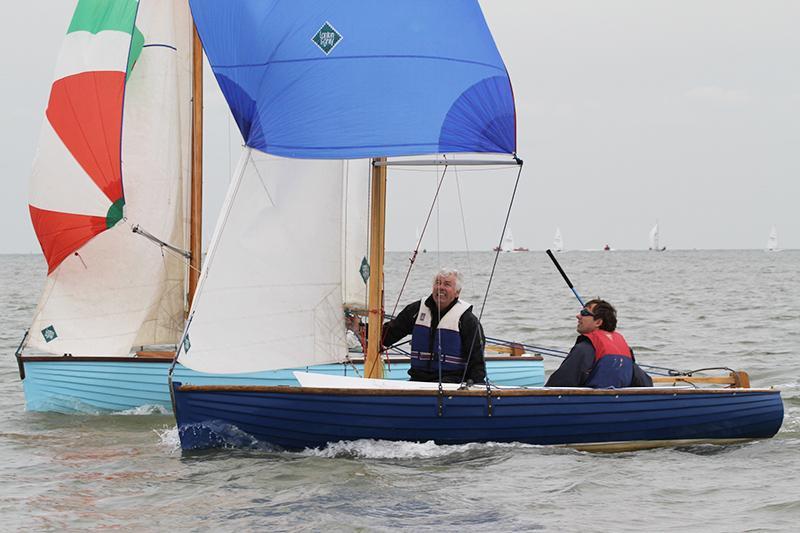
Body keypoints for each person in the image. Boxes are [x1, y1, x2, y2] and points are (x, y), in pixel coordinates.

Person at [381, 268, 486, 384]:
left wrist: (475, 387)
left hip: (452, 383)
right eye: (437, 283)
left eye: (447, 284)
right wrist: (362, 329)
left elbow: (477, 361)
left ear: (457, 292)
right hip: (417, 381)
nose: (440, 287)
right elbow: (388, 335)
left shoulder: (467, 320)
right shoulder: (416, 310)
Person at [545, 299, 653, 388]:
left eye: (584, 313)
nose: (578, 316)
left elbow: (560, 383)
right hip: (616, 403)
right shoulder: (625, 349)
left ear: (598, 322)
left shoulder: (584, 349)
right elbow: (645, 383)